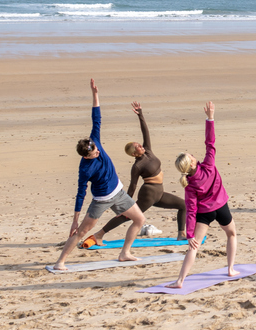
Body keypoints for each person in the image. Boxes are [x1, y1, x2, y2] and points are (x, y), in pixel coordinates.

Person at [51, 79, 146, 271]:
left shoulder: (94, 140)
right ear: (86, 156)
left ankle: (124, 253)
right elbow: (80, 194)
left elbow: (96, 118)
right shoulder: (85, 169)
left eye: (96, 149)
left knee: (140, 219)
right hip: (102, 200)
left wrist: (95, 94)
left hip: (119, 193)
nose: (97, 152)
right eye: (94, 153)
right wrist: (75, 220)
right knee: (81, 232)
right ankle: (60, 262)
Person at [80, 101, 186, 247]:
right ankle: (99, 234)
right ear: (134, 153)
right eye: (137, 146)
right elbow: (133, 185)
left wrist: (140, 114)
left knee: (183, 205)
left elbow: (145, 132)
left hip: (160, 192)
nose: (140, 145)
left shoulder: (148, 150)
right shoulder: (137, 166)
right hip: (148, 194)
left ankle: (181, 234)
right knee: (126, 216)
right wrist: (126, 203)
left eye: (139, 144)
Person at [167, 101, 239, 287]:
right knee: (231, 235)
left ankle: (180, 280)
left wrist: (189, 234)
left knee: (194, 246)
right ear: (191, 164)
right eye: (191, 156)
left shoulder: (189, 185)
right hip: (221, 207)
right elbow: (210, 142)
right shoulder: (208, 165)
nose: (192, 155)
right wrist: (210, 118)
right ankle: (230, 269)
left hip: (205, 213)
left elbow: (191, 210)